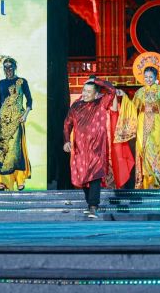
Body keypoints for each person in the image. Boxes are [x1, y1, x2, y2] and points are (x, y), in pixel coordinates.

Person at [63, 76, 124, 218]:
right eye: (84, 90)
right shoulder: (76, 106)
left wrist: (96, 80)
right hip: (80, 149)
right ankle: (90, 204)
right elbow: (67, 124)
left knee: (95, 176)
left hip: (96, 148)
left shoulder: (101, 103)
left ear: (96, 94)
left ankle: (93, 206)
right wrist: (66, 141)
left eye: (89, 91)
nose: (85, 93)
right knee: (83, 178)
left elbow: (111, 90)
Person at [115, 66, 160, 189]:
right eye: (146, 77)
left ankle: (157, 182)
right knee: (144, 150)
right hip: (142, 123)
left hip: (157, 124)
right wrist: (125, 96)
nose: (148, 79)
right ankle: (146, 182)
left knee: (155, 151)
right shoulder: (139, 92)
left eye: (150, 77)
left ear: (155, 77)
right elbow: (132, 107)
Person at [0, 57, 32, 191]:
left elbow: (29, 100)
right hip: (2, 123)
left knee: (16, 151)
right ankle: (2, 181)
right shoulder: (0, 83)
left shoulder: (21, 82)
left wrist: (25, 115)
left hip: (16, 121)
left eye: (10, 67)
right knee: (1, 149)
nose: (8, 70)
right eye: (5, 67)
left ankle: (19, 179)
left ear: (15, 67)